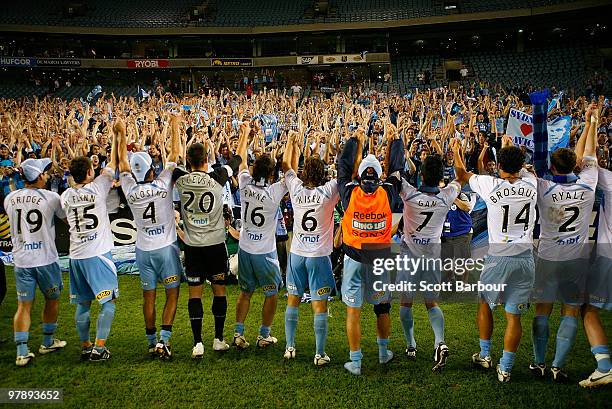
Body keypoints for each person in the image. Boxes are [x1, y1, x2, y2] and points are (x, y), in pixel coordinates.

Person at [451, 135, 537, 383]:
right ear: (520, 166)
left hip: (499, 258)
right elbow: (520, 168)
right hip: (525, 258)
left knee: (484, 303)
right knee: (514, 316)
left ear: (498, 166)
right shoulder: (532, 183)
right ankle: (506, 368)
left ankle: (485, 354)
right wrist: (509, 147)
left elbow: (462, 172)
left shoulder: (491, 185)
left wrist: (457, 150)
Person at [529, 94, 599, 382]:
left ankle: (539, 363)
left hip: (548, 257)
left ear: (552, 168)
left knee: (542, 310)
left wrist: (539, 110)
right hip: (577, 259)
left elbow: (539, 149)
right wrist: (591, 122)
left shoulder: (544, 184)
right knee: (571, 311)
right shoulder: (588, 183)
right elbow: (591, 154)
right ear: (576, 166)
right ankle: (558, 366)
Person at [337, 125, 404, 376]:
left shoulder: (349, 192)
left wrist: (355, 139)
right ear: (378, 177)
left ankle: (356, 361)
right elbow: (397, 169)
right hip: (379, 258)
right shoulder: (387, 193)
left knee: (353, 310)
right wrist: (395, 139)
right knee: (382, 307)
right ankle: (383, 352)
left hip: (353, 257)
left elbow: (343, 167)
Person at [173, 119, 239, 358]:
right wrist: (243, 135)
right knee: (220, 291)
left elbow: (172, 160)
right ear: (207, 159)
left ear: (189, 161)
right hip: (214, 246)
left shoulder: (179, 179)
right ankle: (218, 339)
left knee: (195, 293)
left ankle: (197, 343)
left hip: (192, 246)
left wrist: (175, 130)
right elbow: (237, 160)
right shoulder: (217, 177)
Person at [117, 116, 182, 359]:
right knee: (172, 293)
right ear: (151, 169)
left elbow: (122, 162)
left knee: (149, 297)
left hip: (143, 249)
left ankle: (150, 340)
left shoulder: (129, 188)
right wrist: (175, 125)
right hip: (166, 248)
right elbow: (175, 154)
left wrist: (120, 135)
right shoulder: (163, 183)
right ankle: (164, 341)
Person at [396, 153, 460, 370]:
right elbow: (460, 178)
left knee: (406, 302)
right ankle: (439, 342)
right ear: (441, 175)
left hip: (409, 255)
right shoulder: (447, 196)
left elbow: (394, 175)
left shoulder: (410, 195)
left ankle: (411, 344)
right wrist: (457, 152)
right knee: (431, 302)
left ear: (421, 175)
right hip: (432, 257)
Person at [281, 130, 339, 366]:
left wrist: (291, 142)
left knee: (293, 300)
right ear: (323, 174)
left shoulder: (295, 189)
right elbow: (347, 173)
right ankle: (319, 353)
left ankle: (289, 347)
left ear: (305, 173)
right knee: (319, 305)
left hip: (296, 254)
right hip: (319, 256)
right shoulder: (328, 191)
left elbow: (285, 165)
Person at [60, 130, 119, 362]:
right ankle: (99, 347)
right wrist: (117, 137)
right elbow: (113, 163)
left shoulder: (65, 196)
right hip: (98, 254)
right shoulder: (98, 187)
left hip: (76, 256)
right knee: (109, 302)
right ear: (89, 172)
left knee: (83, 304)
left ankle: (85, 346)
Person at [5, 158, 67, 366]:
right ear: (39, 176)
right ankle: (47, 342)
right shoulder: (51, 197)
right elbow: (68, 219)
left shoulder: (9, 198)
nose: (47, 176)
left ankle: (22, 351)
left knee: (23, 305)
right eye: (45, 173)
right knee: (53, 299)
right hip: (46, 259)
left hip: (21, 260)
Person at [233, 121, 287, 349]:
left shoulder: (244, 183)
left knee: (245, 292)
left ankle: (238, 333)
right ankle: (264, 334)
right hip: (265, 252)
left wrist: (245, 133)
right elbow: (290, 171)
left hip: (244, 248)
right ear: (272, 173)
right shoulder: (275, 191)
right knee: (272, 293)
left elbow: (240, 158)